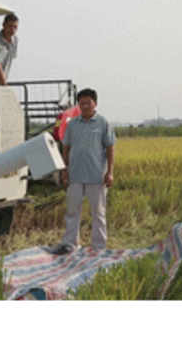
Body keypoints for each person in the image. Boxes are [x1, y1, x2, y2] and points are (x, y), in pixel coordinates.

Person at [50, 88, 115, 255]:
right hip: (75, 175)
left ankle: (99, 247)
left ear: (95, 103)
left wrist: (110, 172)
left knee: (98, 213)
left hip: (97, 176)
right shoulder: (72, 124)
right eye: (82, 103)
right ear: (78, 104)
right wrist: (64, 170)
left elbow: (110, 148)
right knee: (72, 212)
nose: (85, 106)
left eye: (88, 102)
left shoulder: (103, 123)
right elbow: (66, 147)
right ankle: (70, 245)